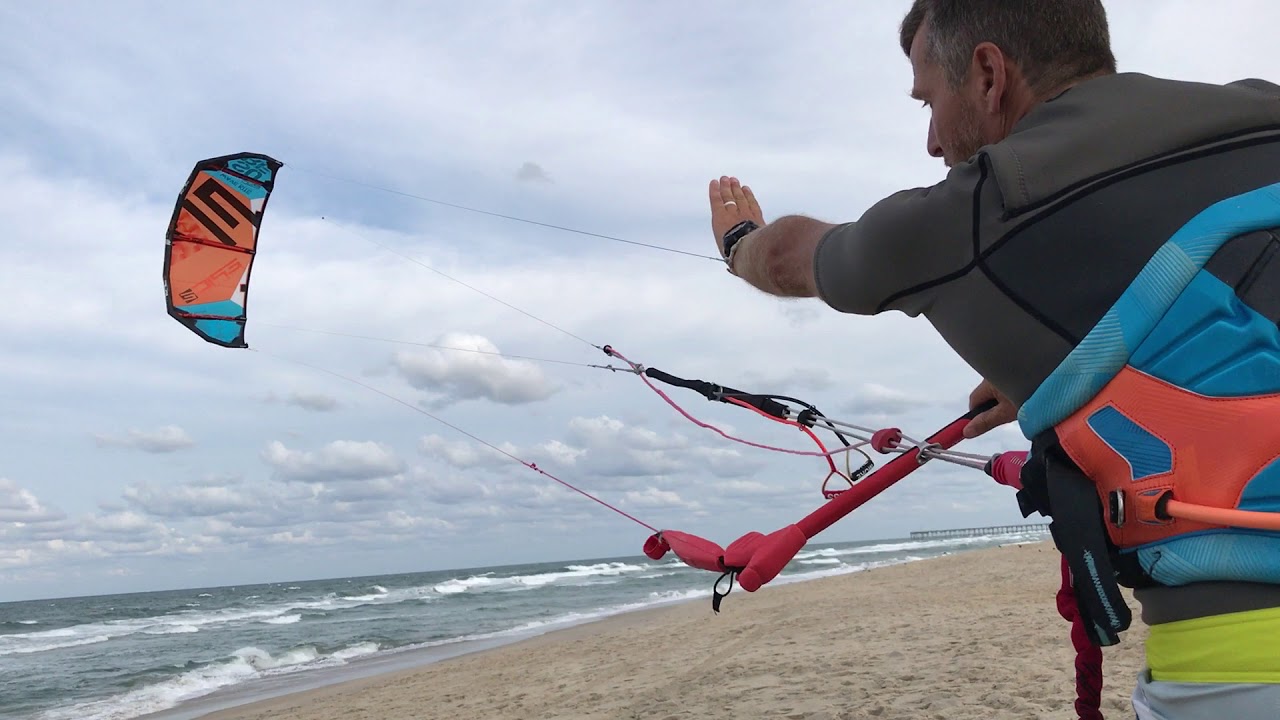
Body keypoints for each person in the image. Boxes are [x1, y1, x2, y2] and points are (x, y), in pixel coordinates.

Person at [707, 1, 1280, 718]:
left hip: (1240, 674)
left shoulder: (976, 209)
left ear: (987, 75)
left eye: (928, 101)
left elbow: (792, 257)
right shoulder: (1263, 109)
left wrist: (739, 242)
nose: (930, 140)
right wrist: (1087, 369)